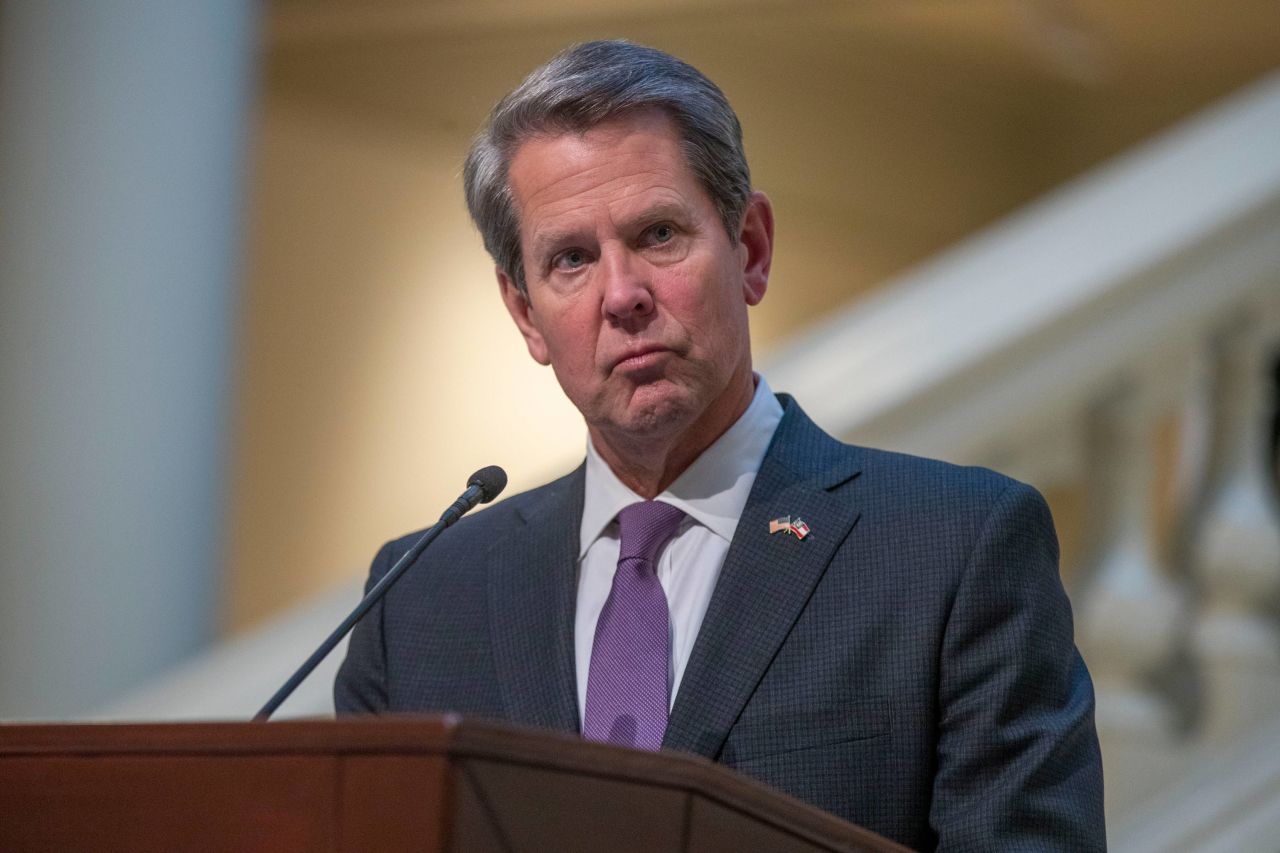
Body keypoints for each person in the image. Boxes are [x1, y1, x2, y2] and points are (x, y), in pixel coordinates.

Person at [336, 40, 1105, 850]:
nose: (623, 295)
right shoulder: (417, 601)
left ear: (752, 248)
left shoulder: (951, 550)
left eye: (660, 234)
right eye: (571, 259)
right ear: (525, 313)